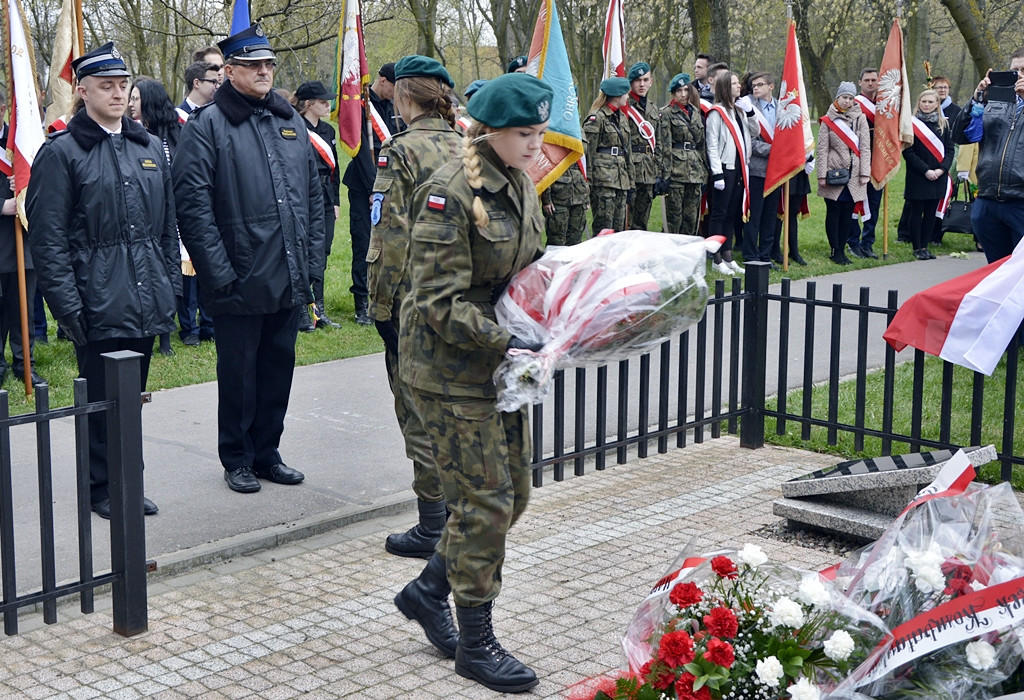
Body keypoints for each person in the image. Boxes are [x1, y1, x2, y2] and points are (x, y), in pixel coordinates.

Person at [394, 72, 551, 694]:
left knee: (512, 495)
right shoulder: (451, 191)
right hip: (447, 369)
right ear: (489, 132)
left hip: (496, 364)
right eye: (525, 133)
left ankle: (429, 590)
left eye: (540, 131)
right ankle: (476, 644)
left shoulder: (518, 180)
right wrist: (510, 339)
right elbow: (435, 301)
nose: (537, 143)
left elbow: (527, 266)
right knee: (484, 506)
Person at [27, 42, 180, 519]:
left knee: (131, 400)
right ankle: (101, 488)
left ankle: (127, 482)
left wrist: (171, 284)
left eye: (122, 85)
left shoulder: (149, 146)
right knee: (101, 406)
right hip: (97, 299)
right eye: (106, 86)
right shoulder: (62, 153)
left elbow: (166, 228)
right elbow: (48, 241)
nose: (117, 94)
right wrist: (69, 309)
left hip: (147, 293)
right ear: (83, 89)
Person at [172, 24, 325, 494]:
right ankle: (236, 457)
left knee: (277, 370)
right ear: (230, 70)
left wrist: (313, 264)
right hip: (237, 278)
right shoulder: (207, 128)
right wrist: (220, 276)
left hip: (288, 274)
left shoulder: (289, 120)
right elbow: (193, 208)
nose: (263, 71)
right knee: (238, 377)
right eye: (253, 64)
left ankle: (267, 452)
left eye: (268, 64)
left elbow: (314, 197)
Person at [366, 56, 462, 559]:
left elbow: (391, 236)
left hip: (415, 301)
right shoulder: (467, 145)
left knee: (418, 411)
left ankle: (431, 522)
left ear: (404, 96)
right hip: (460, 297)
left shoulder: (400, 150)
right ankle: (456, 510)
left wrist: (381, 308)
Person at [342, 63, 402, 325]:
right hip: (365, 184)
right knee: (365, 242)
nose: (396, 92)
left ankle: (383, 295)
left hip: (390, 184)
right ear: (382, 80)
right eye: (394, 86)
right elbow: (360, 150)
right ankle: (361, 299)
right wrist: (372, 188)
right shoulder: (361, 107)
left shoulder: (392, 107)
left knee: (389, 243)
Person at [952, 47, 1024, 263]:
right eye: (1015, 70)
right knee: (996, 274)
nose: (1019, 75)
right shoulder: (995, 102)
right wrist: (977, 99)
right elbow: (963, 136)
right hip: (988, 202)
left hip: (1020, 202)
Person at [129, 77, 184, 357]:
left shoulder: (175, 131)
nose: (130, 103)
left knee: (170, 272)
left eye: (136, 98)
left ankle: (168, 334)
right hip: (147, 214)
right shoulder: (131, 134)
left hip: (172, 212)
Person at [0, 90, 44, 386]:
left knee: (22, 307)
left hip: (22, 240)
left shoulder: (22, 139)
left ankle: (23, 362)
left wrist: (26, 185)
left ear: (3, 108)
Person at [175, 61, 220, 347]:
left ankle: (210, 322)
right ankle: (188, 326)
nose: (218, 86)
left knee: (210, 263)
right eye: (213, 81)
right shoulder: (175, 117)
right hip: (185, 199)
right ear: (196, 84)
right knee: (187, 268)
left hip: (213, 198)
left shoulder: (217, 116)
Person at [293, 80, 341, 330]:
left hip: (325, 196)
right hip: (303, 196)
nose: (328, 104)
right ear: (308, 104)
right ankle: (303, 309)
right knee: (303, 251)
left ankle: (319, 310)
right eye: (323, 101)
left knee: (322, 252)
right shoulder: (294, 127)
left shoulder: (328, 132)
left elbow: (335, 170)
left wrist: (335, 201)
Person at [705, 70, 756, 275]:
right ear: (726, 87)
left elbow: (756, 132)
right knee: (719, 213)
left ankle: (728, 255)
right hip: (724, 170)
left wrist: (751, 112)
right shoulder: (717, 112)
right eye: (734, 83)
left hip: (740, 168)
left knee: (732, 213)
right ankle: (716, 258)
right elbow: (712, 145)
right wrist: (717, 174)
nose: (739, 86)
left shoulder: (740, 111)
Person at [816, 81, 871, 265]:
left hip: (854, 175)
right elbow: (822, 149)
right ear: (837, 98)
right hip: (834, 173)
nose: (847, 101)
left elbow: (865, 147)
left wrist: (865, 172)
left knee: (848, 213)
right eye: (844, 97)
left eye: (850, 98)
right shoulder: (828, 120)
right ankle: (835, 249)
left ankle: (842, 248)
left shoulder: (860, 118)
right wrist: (821, 175)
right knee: (834, 211)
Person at [903, 89, 954, 260]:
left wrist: (941, 170)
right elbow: (908, 152)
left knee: (931, 214)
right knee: (916, 212)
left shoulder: (943, 124)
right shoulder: (911, 125)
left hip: (938, 177)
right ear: (918, 103)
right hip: (919, 176)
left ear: (937, 104)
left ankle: (925, 246)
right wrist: (926, 170)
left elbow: (950, 150)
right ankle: (917, 248)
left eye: (930, 102)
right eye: (923, 102)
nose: (926, 105)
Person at [584, 77, 634, 236]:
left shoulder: (622, 118)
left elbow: (627, 152)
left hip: (621, 180)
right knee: (603, 227)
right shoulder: (596, 118)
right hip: (603, 181)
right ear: (618, 96)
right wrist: (588, 182)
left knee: (619, 229)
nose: (628, 97)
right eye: (626, 94)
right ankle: (599, 260)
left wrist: (630, 182)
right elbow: (588, 153)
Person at [657, 73, 706, 235]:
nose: (683, 94)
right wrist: (665, 175)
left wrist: (704, 173)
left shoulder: (696, 113)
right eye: (679, 91)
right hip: (676, 173)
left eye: (686, 90)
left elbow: (701, 145)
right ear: (673, 93)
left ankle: (687, 255)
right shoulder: (666, 113)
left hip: (695, 173)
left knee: (691, 218)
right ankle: (669, 254)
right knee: (674, 218)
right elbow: (664, 146)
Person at [743, 71, 783, 267]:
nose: (755, 88)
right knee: (754, 216)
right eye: (753, 85)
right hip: (757, 170)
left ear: (771, 86)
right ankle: (751, 255)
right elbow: (749, 142)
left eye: (760, 85)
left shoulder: (783, 108)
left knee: (770, 216)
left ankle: (766, 256)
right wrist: (776, 150)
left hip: (777, 171)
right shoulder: (748, 107)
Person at [849, 68, 881, 258]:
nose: (870, 83)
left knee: (874, 203)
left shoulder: (885, 106)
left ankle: (867, 242)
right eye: (867, 80)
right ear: (860, 82)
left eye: (874, 80)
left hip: (878, 159)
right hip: (857, 159)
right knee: (855, 202)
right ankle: (852, 241)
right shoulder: (853, 104)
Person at [625, 62, 661, 229]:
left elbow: (659, 142)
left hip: (648, 170)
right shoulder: (624, 107)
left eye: (645, 80)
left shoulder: (653, 109)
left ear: (651, 82)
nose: (641, 84)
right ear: (631, 83)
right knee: (626, 219)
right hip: (630, 169)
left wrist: (659, 172)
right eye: (637, 80)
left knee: (642, 220)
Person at [542, 160, 589, 245]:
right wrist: (546, 199)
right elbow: (545, 168)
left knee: (576, 239)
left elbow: (585, 165)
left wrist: (586, 197)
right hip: (558, 195)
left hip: (579, 194)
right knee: (557, 240)